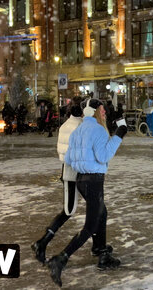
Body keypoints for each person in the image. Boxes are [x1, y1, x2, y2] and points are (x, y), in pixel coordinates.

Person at [47, 98, 128, 287]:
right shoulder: (98, 130)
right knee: (90, 226)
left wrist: (84, 162)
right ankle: (61, 259)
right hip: (93, 181)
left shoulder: (79, 130)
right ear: (95, 111)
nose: (105, 112)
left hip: (82, 180)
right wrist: (119, 135)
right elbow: (104, 156)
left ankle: (100, 249)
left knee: (102, 213)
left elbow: (69, 158)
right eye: (102, 109)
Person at [31, 98, 86, 265]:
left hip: (68, 172)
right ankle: (42, 242)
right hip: (76, 174)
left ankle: (99, 246)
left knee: (94, 211)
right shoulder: (81, 128)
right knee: (69, 211)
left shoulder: (64, 126)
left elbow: (60, 152)